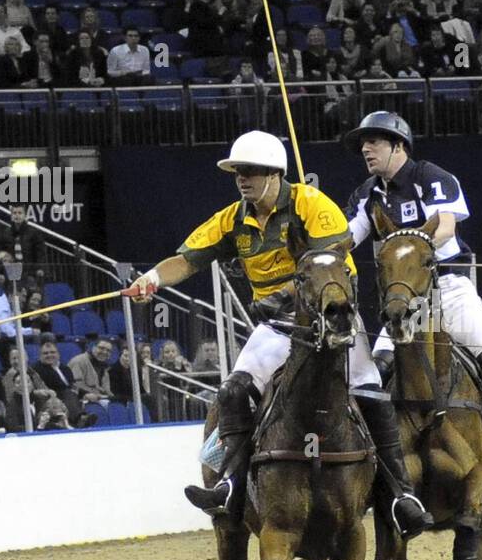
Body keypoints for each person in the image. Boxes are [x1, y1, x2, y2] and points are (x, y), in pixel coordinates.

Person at [129, 131, 434, 536]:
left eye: (251, 172)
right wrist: (150, 280)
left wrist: (282, 295)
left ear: (275, 175)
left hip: (334, 320)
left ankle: (400, 494)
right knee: (234, 391)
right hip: (279, 328)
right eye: (238, 172)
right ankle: (230, 484)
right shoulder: (233, 219)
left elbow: (329, 261)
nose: (242, 179)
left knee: (370, 390)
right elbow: (186, 261)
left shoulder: (312, 205)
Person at [343, 111, 482, 505]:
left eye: (374, 141)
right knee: (376, 373)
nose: (366, 149)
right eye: (362, 145)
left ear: (398, 145)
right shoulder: (367, 195)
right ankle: (378, 471)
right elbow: (349, 237)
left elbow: (446, 226)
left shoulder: (430, 176)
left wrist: (413, 249)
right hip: (407, 300)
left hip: (448, 289)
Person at [68, 339, 115, 406]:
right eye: (101, 348)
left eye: (108, 350)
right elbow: (76, 384)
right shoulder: (79, 361)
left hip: (100, 399)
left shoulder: (104, 366)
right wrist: (94, 394)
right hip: (81, 399)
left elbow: (107, 390)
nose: (104, 352)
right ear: (93, 347)